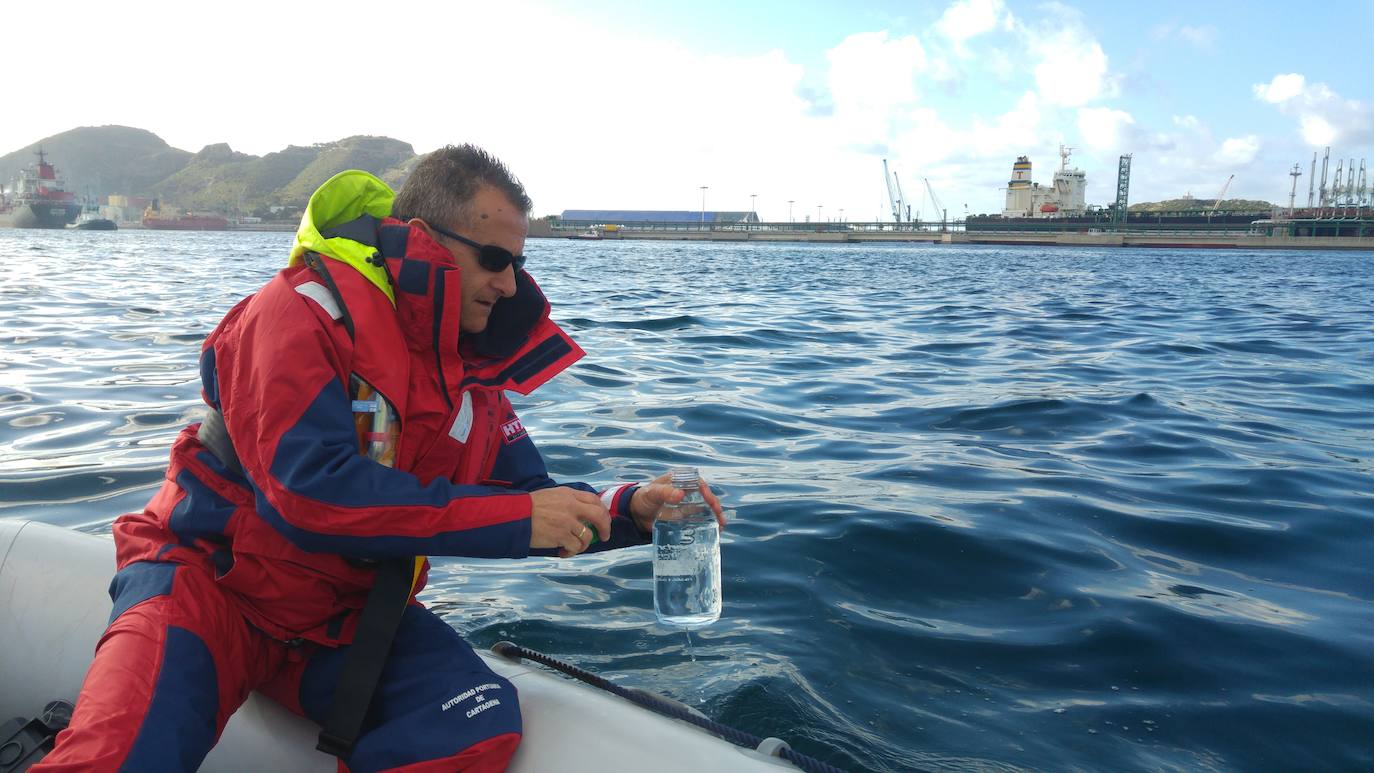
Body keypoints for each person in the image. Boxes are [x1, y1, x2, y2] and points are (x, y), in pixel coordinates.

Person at [36, 145, 725, 772]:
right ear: (425, 239)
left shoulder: (471, 382)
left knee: (476, 726)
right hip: (210, 586)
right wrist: (521, 516)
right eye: (495, 259)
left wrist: (631, 508)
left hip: (340, 619)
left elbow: (531, 496)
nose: (512, 284)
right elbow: (309, 492)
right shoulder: (299, 313)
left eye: (519, 262)